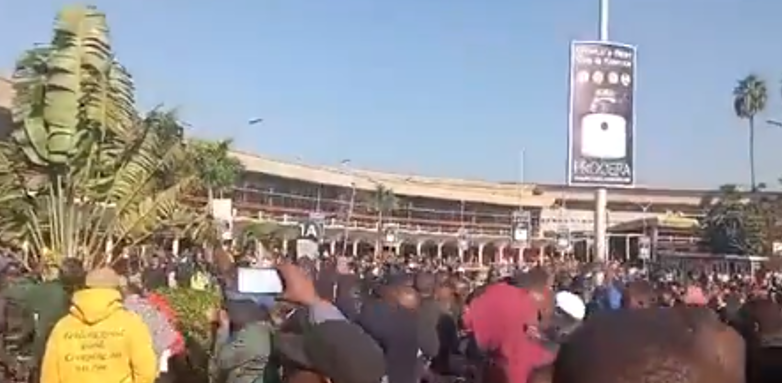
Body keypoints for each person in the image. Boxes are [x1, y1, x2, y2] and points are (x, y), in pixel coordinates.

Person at [39, 267, 157, 383]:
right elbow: (146, 371)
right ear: (118, 290)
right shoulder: (131, 323)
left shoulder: (63, 327)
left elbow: (49, 374)